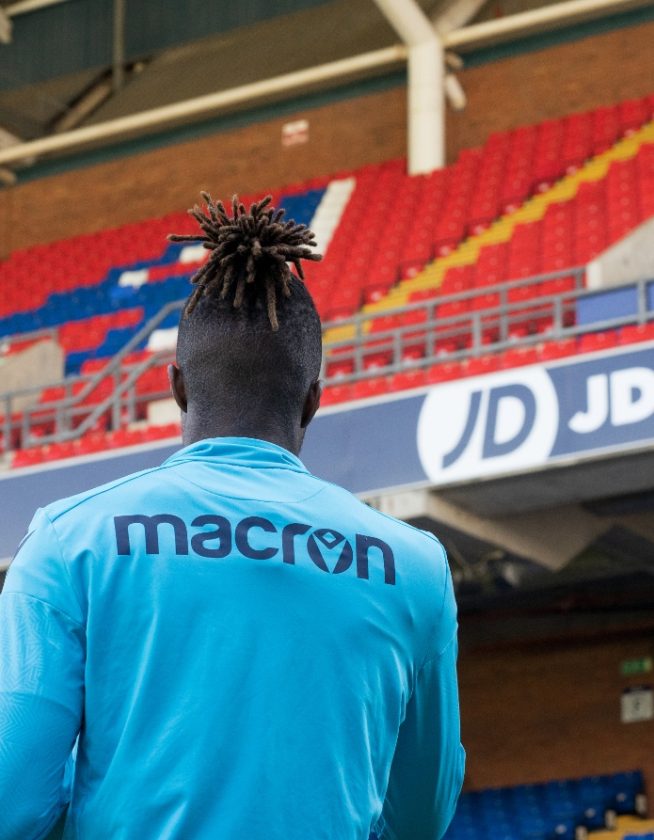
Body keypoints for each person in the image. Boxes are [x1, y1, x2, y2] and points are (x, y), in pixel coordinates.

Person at [0, 194, 465, 839]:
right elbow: (420, 815)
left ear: (178, 388)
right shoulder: (415, 567)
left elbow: (13, 802)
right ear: (312, 401)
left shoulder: (67, 542)